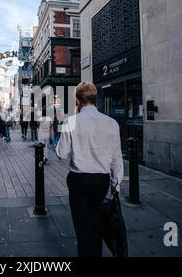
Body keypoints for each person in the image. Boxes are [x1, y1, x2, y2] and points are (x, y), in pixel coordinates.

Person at [55, 82, 124, 257]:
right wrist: (116, 186)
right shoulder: (112, 123)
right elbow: (116, 158)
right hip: (102, 181)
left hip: (79, 182)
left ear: (78, 100)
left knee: (83, 228)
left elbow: (61, 154)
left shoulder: (71, 122)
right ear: (95, 98)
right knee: (98, 224)